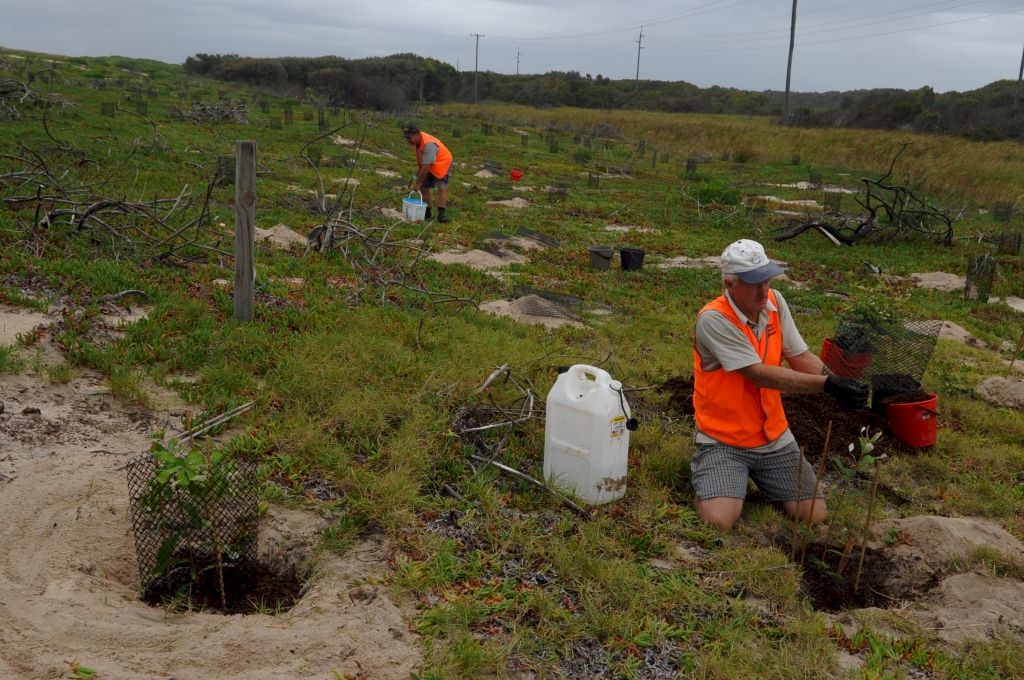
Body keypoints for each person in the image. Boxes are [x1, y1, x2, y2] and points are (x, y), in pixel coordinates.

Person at [691, 239, 868, 530]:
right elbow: (759, 374)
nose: (764, 290)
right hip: (724, 439)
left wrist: (842, 382)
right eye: (753, 283)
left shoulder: (774, 302)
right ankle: (715, 480)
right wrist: (828, 385)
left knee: (815, 515)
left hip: (773, 436)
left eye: (766, 279)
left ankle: (754, 480)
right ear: (729, 284)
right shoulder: (713, 319)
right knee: (719, 520)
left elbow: (799, 355)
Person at [402, 123, 453, 223]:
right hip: (430, 164)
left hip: (443, 163)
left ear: (417, 134)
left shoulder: (429, 144)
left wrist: (418, 183)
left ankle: (441, 215)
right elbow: (422, 165)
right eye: (406, 138)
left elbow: (426, 166)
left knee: (441, 187)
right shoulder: (417, 143)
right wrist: (415, 177)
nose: (408, 140)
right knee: (423, 187)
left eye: (409, 137)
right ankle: (427, 212)